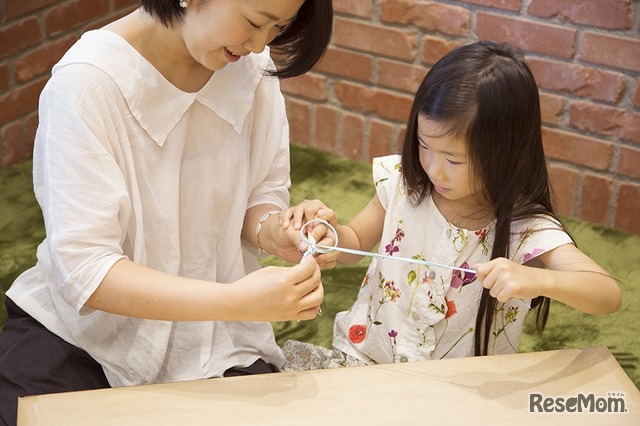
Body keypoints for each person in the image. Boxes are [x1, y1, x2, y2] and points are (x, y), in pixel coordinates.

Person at [0, 0, 336, 424]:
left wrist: (279, 232)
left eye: (277, 28)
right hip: (81, 339)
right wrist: (235, 301)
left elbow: (260, 195)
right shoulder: (86, 84)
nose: (258, 45)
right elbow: (86, 270)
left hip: (212, 339)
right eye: (254, 22)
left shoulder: (251, 67)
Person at [280, 41, 621, 370]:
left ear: (508, 155)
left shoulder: (525, 226)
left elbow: (607, 294)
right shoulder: (404, 182)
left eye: (454, 160)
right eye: (424, 145)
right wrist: (330, 237)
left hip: (459, 387)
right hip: (366, 358)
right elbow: (355, 242)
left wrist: (536, 279)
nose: (432, 167)